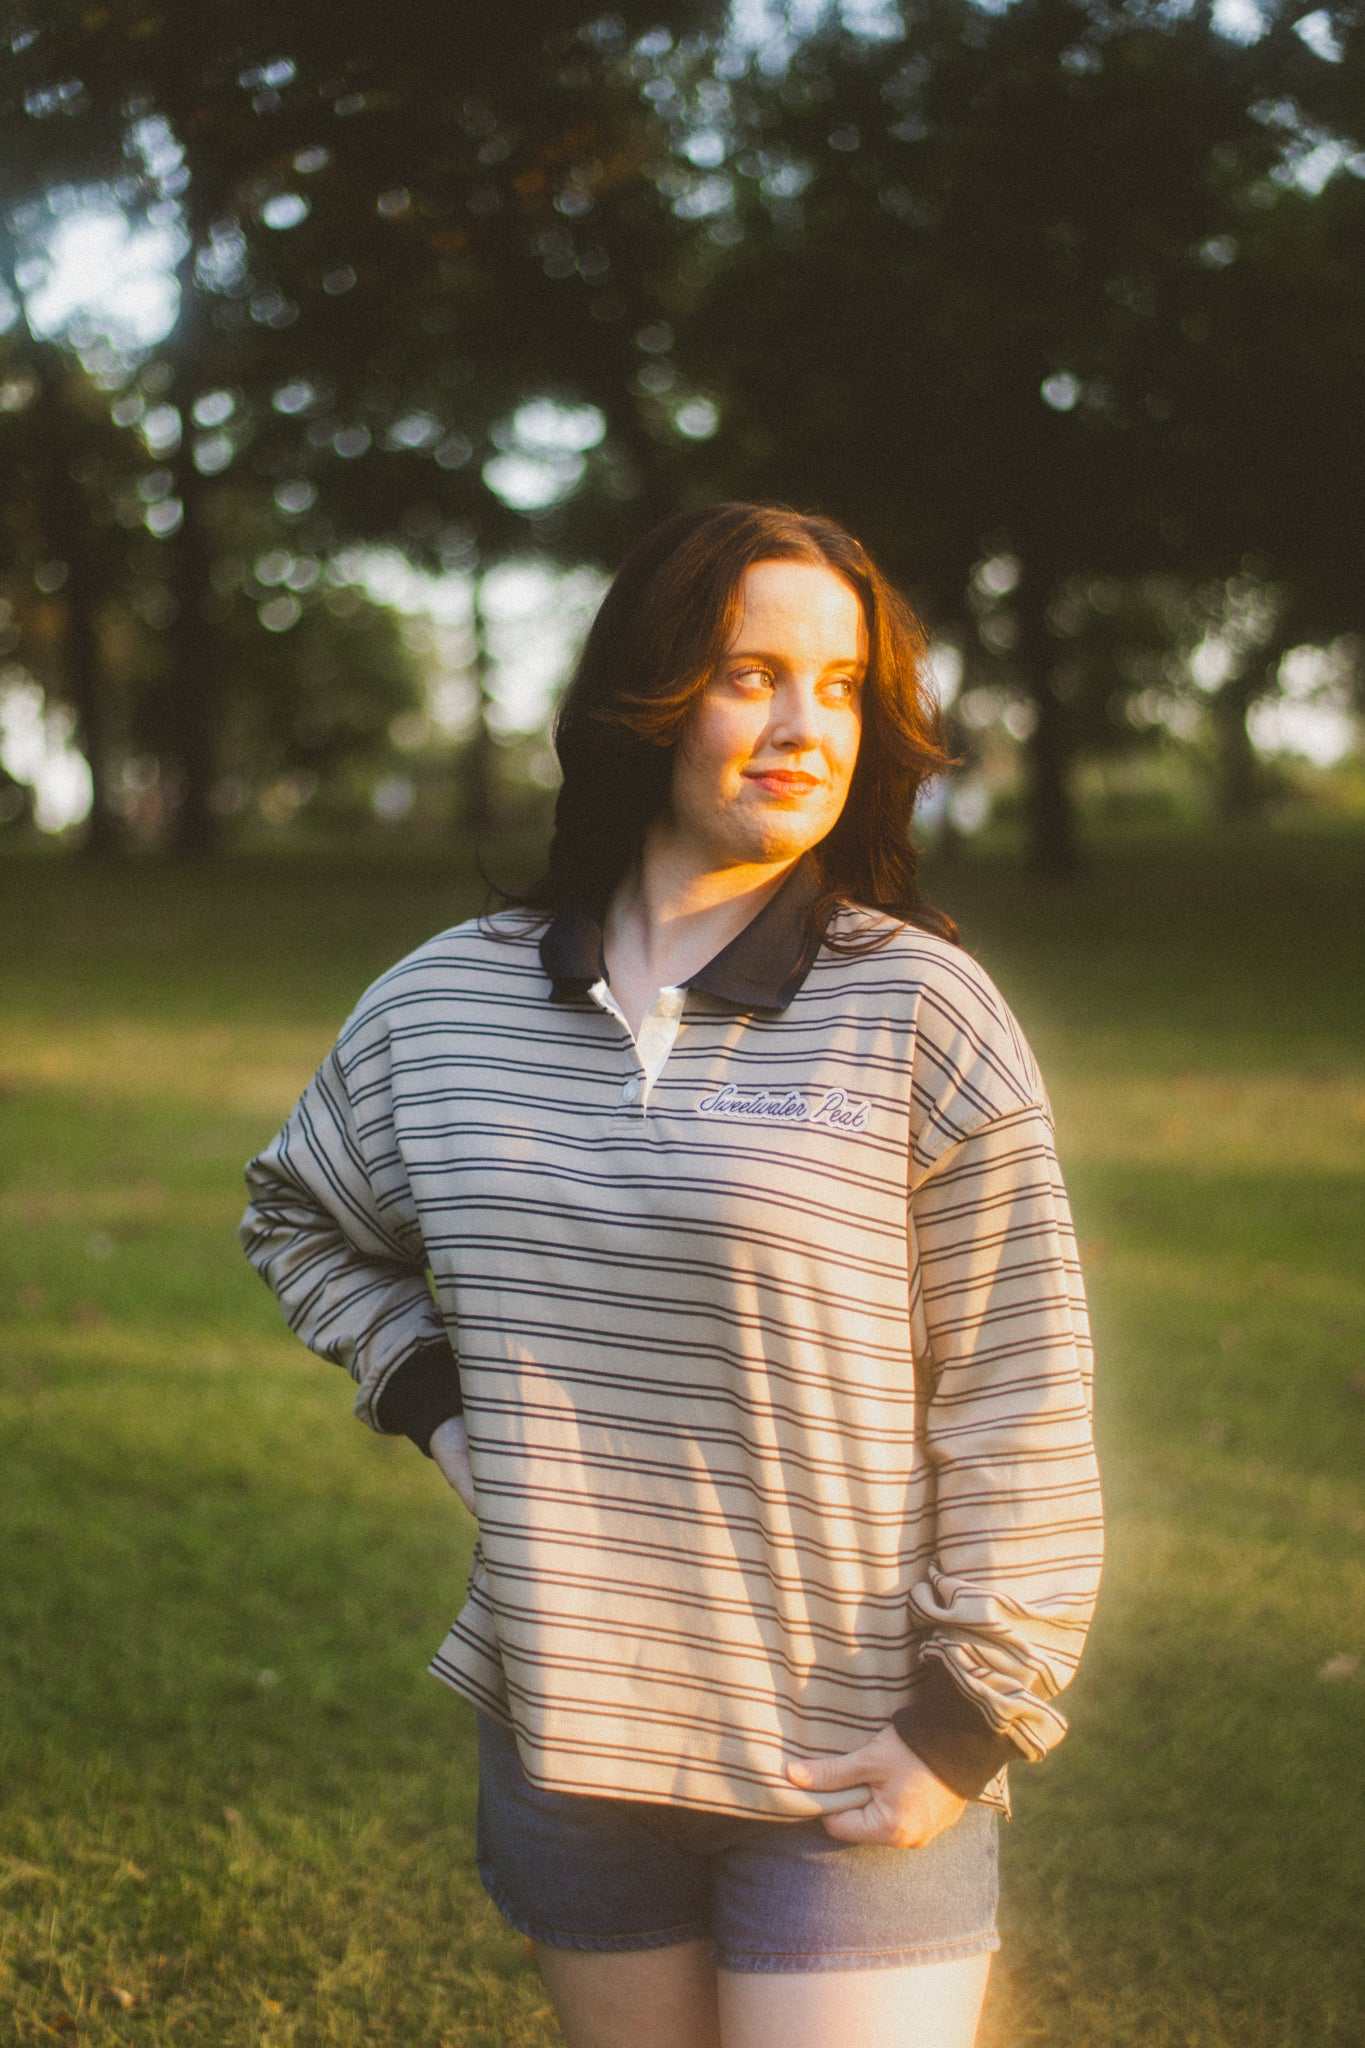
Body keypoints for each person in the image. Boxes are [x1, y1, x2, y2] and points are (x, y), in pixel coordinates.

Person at [238, 500, 1103, 2048]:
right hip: (570, 1739)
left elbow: (1020, 1383)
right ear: (645, 699)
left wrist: (968, 1714)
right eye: (749, 677)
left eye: (839, 688)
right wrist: (438, 1405)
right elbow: (298, 1214)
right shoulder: (442, 1005)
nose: (803, 727)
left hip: (850, 1745)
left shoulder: (918, 1008)